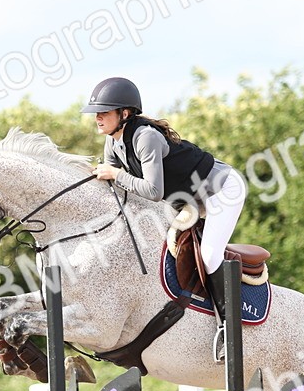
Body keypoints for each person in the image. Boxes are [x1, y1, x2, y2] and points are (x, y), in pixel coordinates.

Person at [82, 76, 247, 336]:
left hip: (221, 190)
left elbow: (153, 191)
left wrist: (115, 175)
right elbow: (115, 189)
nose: (97, 118)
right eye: (96, 113)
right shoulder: (113, 140)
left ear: (124, 113)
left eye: (103, 112)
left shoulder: (145, 137)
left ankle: (229, 326)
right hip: (188, 200)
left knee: (210, 254)